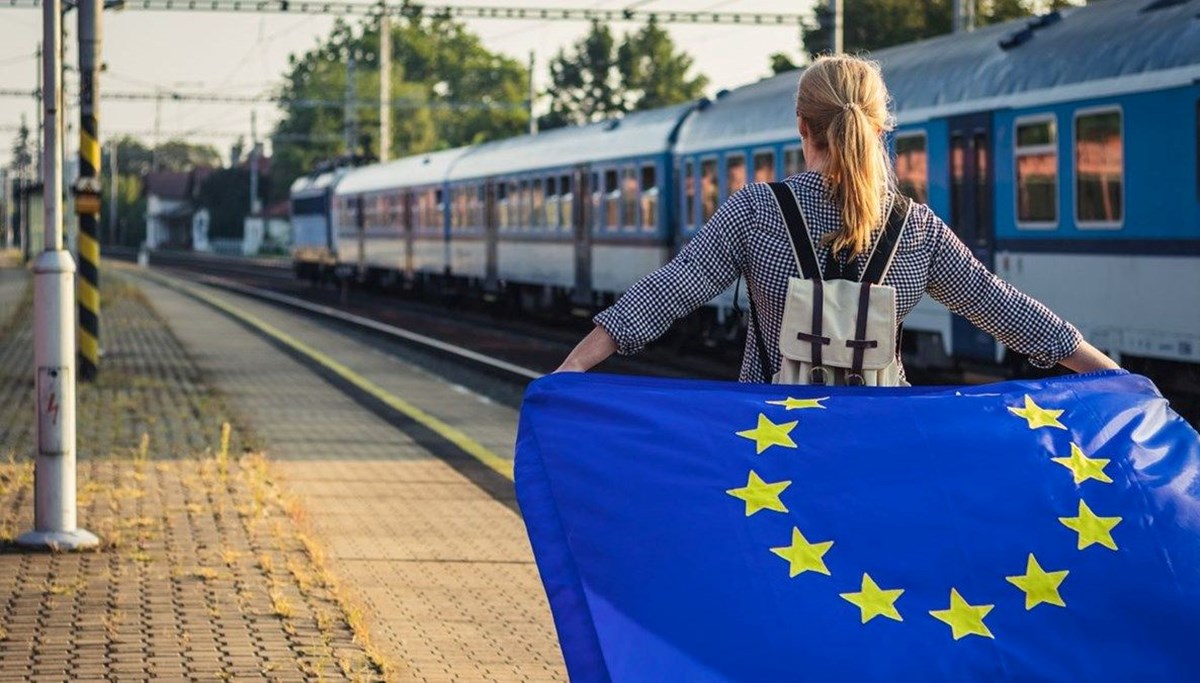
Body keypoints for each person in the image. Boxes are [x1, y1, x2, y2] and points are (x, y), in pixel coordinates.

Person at [556, 54, 1118, 381]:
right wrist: (1116, 380)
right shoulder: (916, 230)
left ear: (802, 126)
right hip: (879, 448)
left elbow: (666, 294)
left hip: (774, 447)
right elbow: (1004, 310)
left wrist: (571, 371)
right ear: (881, 127)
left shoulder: (755, 212)